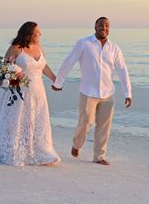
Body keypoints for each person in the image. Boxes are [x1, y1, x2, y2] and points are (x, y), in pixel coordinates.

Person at [0, 21, 61, 166]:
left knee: (37, 120)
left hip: (38, 91)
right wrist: (13, 77)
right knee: (17, 120)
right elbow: (3, 72)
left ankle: (39, 149)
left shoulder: (38, 48)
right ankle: (13, 149)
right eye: (37, 32)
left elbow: (44, 67)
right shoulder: (15, 48)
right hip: (20, 91)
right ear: (29, 34)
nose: (40, 34)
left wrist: (56, 80)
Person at [52, 17, 132, 165]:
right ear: (95, 27)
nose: (104, 27)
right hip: (88, 92)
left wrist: (128, 92)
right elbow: (69, 61)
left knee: (104, 126)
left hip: (108, 93)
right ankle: (77, 144)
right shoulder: (84, 43)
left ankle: (99, 156)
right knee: (86, 121)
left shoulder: (114, 48)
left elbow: (122, 70)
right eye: (101, 25)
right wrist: (58, 82)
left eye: (107, 25)